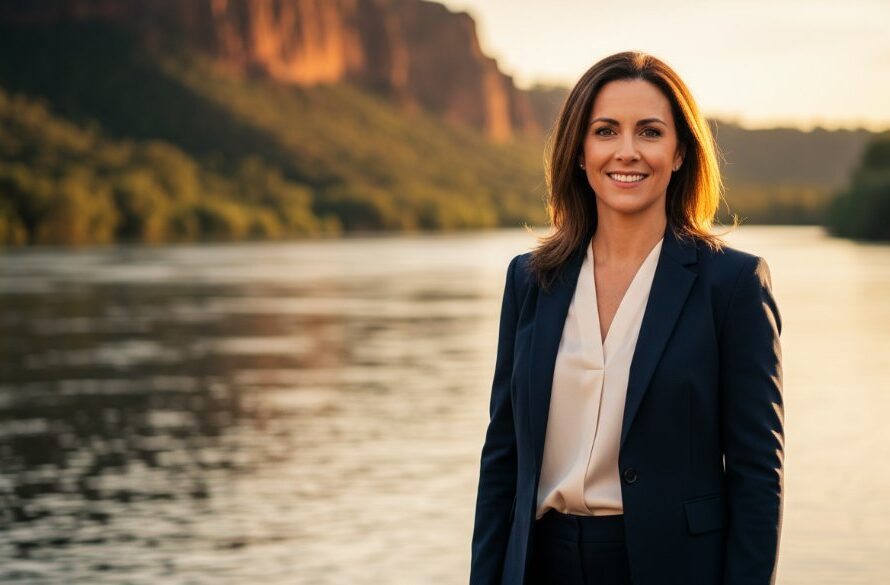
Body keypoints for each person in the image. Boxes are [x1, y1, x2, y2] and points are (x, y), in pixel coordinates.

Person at [469, 51, 784, 585]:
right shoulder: (529, 280)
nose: (627, 152)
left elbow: (757, 477)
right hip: (540, 564)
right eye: (606, 130)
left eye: (651, 132)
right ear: (579, 150)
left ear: (680, 152)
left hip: (672, 568)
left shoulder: (731, 286)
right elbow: (502, 459)